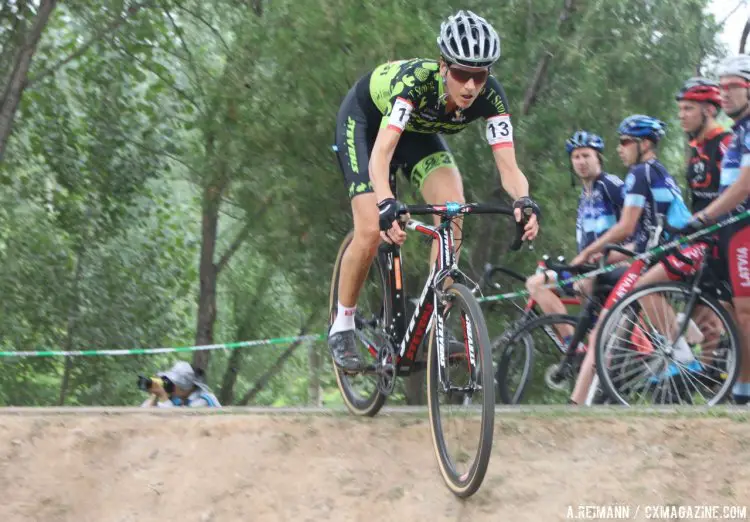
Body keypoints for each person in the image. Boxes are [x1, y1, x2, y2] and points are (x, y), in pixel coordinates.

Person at [329, 10, 540, 371]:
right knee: (369, 229)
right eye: (461, 73)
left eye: (480, 74)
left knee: (452, 208)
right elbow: (380, 157)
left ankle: (434, 320)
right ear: (443, 66)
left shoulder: (492, 97)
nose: (471, 85)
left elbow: (509, 167)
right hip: (367, 122)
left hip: (417, 133)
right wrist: (385, 203)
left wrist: (523, 200)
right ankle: (342, 325)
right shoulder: (416, 84)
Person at [569, 114, 683, 404]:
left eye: (624, 142)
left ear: (644, 143)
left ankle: (682, 355)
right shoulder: (651, 170)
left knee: (636, 292)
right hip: (659, 249)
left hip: (663, 250)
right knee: (624, 303)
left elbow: (626, 226)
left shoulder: (640, 173)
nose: (619, 148)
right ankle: (681, 344)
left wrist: (587, 253)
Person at [684, 54, 750, 404]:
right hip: (730, 228)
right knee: (728, 309)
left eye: (732, 87)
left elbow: (743, 187)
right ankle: (736, 387)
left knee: (745, 311)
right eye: (721, 87)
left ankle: (743, 394)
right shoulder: (739, 131)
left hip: (743, 227)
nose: (724, 93)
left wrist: (704, 217)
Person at [525, 131, 624, 354]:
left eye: (586, 155)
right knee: (536, 284)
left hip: (613, 265)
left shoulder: (611, 184)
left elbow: (636, 221)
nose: (581, 162)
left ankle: (606, 347)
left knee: (586, 295)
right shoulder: (584, 195)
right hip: (586, 268)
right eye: (576, 157)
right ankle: (574, 346)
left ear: (598, 157)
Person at [140, 361, 221, 408]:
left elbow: (178, 420)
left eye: (174, 383)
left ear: (186, 386)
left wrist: (164, 397)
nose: (170, 385)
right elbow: (144, 413)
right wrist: (155, 395)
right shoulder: (180, 400)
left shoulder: (204, 400)